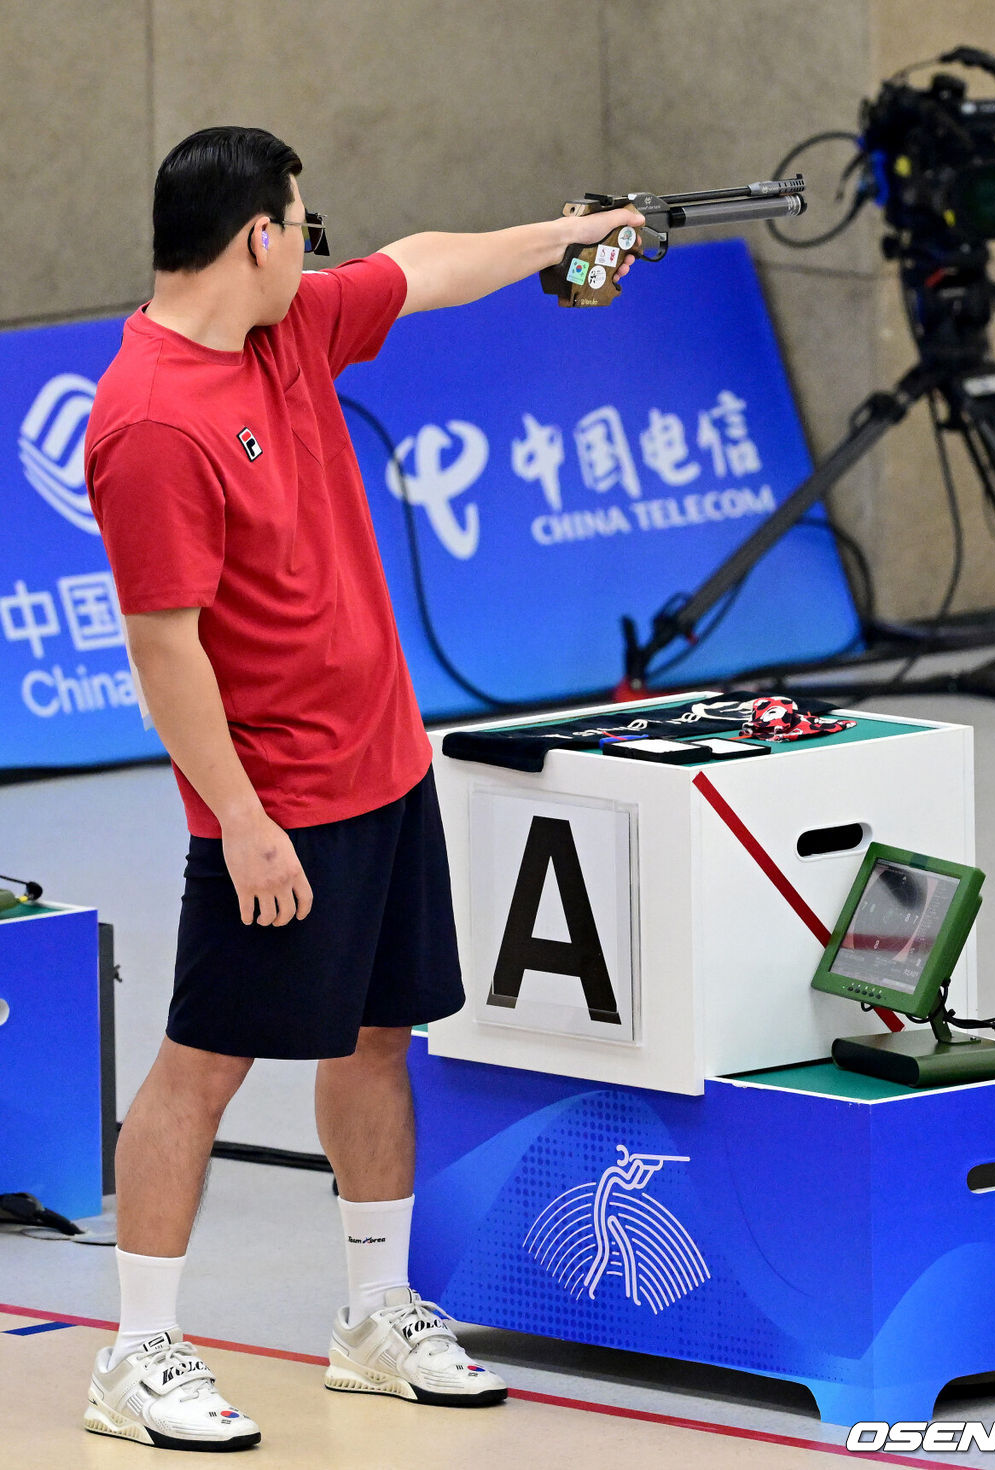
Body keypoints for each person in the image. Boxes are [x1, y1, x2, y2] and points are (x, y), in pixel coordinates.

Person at [81, 125, 643, 1452]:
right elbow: (163, 652)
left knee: (382, 1036)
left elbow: (420, 269)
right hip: (273, 803)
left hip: (385, 766)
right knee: (198, 1070)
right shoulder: (151, 419)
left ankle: (374, 1317)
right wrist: (244, 820)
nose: (313, 243)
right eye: (301, 222)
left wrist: (556, 239)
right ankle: (136, 1349)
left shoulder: (285, 332)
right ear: (258, 236)